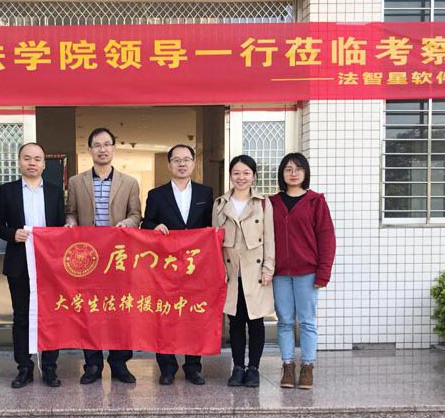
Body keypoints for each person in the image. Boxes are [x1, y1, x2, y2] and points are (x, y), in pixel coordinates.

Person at [65, 127, 141, 385]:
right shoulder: (76, 182)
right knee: (89, 311)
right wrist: (71, 223)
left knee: (120, 310)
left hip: (117, 257)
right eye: (97, 145)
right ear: (89, 150)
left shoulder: (129, 183)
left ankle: (119, 363)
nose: (102, 149)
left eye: (107, 144)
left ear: (113, 149)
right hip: (87, 258)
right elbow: (71, 212)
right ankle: (93, 364)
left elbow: (136, 214)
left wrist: (126, 224)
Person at [0, 142, 64, 389]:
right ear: (19, 162)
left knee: (51, 316)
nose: (32, 163)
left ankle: (50, 367)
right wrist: (12, 234)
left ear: (44, 164)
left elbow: (61, 226)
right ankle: (24, 367)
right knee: (21, 316)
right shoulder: (7, 191)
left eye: (37, 159)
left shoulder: (55, 192)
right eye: (27, 158)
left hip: (49, 264)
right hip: (19, 263)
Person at [140, 144, 213, 386]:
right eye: (177, 160)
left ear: (193, 163)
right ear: (169, 164)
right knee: (165, 316)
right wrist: (155, 227)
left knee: (193, 316)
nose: (182, 164)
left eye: (186, 159)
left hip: (195, 266)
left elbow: (211, 228)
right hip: (166, 267)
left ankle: (193, 367)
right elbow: (146, 223)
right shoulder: (156, 195)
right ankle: (167, 367)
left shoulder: (205, 193)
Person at [269, 152, 335, 390]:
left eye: (298, 169)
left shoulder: (316, 201)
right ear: (282, 174)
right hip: (280, 273)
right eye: (288, 169)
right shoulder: (272, 203)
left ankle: (307, 366)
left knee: (307, 321)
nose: (293, 173)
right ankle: (288, 365)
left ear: (305, 173)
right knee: (285, 321)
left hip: (307, 272)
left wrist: (323, 273)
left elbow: (327, 238)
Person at [212, 155, 275, 388]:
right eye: (236, 173)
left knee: (256, 321)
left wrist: (268, 267)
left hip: (255, 272)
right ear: (230, 175)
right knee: (235, 322)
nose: (241, 177)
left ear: (254, 176)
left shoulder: (263, 203)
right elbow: (214, 241)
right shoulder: (220, 203)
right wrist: (218, 270)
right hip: (230, 272)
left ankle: (254, 369)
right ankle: (238, 367)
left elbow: (270, 238)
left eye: (246, 173)